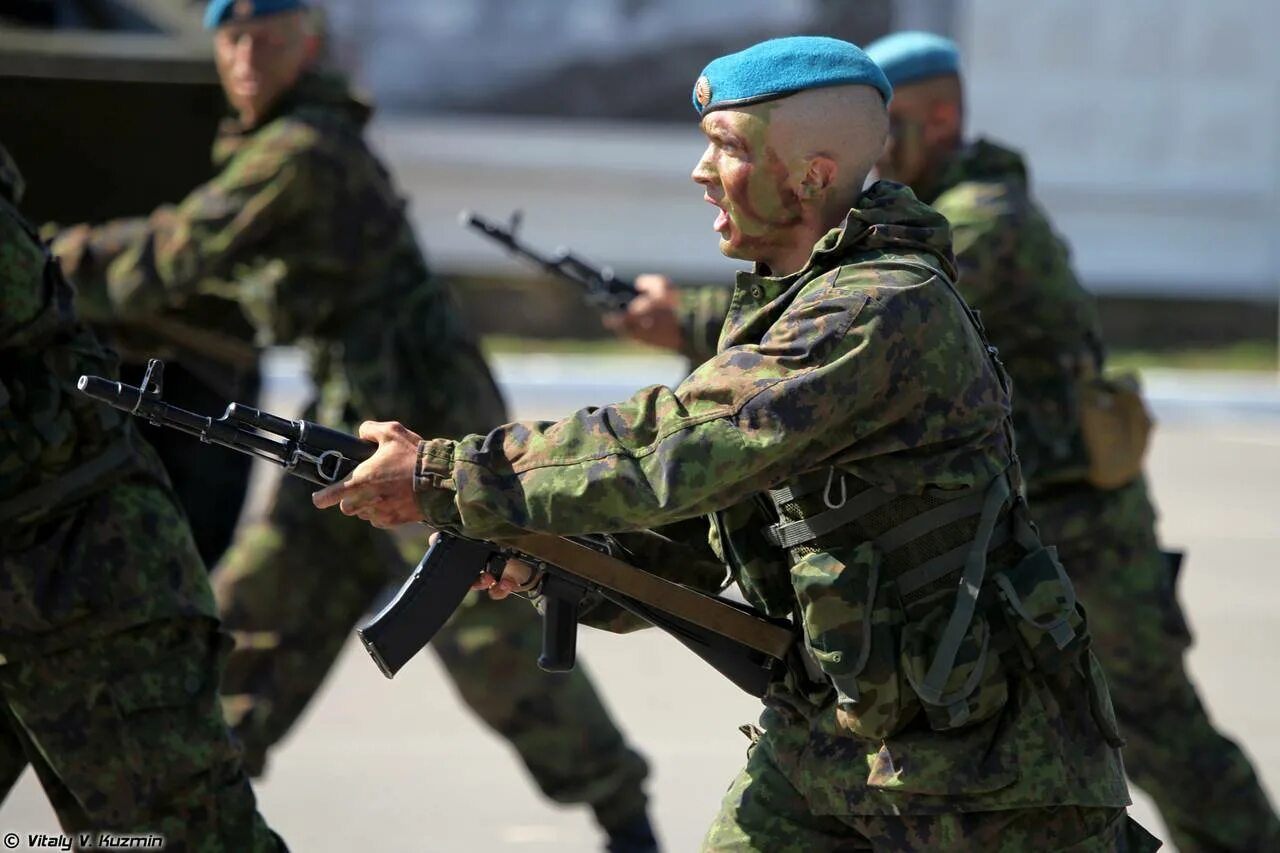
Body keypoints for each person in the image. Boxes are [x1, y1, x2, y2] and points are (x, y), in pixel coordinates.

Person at [312, 36, 1159, 851]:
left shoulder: (877, 307)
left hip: (985, 762)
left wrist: (445, 472)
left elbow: (673, 445)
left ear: (811, 175)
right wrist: (549, 560)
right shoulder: (785, 305)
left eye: (724, 146)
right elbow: (696, 539)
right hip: (832, 737)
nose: (699, 171)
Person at [51, 1, 657, 848]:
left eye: (267, 40)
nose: (247, 59)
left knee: (484, 625)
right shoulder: (294, 146)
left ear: (307, 47)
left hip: (423, 419)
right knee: (259, 617)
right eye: (232, 41)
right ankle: (168, 819)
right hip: (347, 417)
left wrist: (39, 263)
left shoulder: (303, 149)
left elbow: (170, 253)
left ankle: (624, 815)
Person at [0, 142, 284, 850]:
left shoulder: (304, 151)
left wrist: (72, 254)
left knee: (182, 834)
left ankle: (614, 797)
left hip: (72, 560)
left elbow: (172, 250)